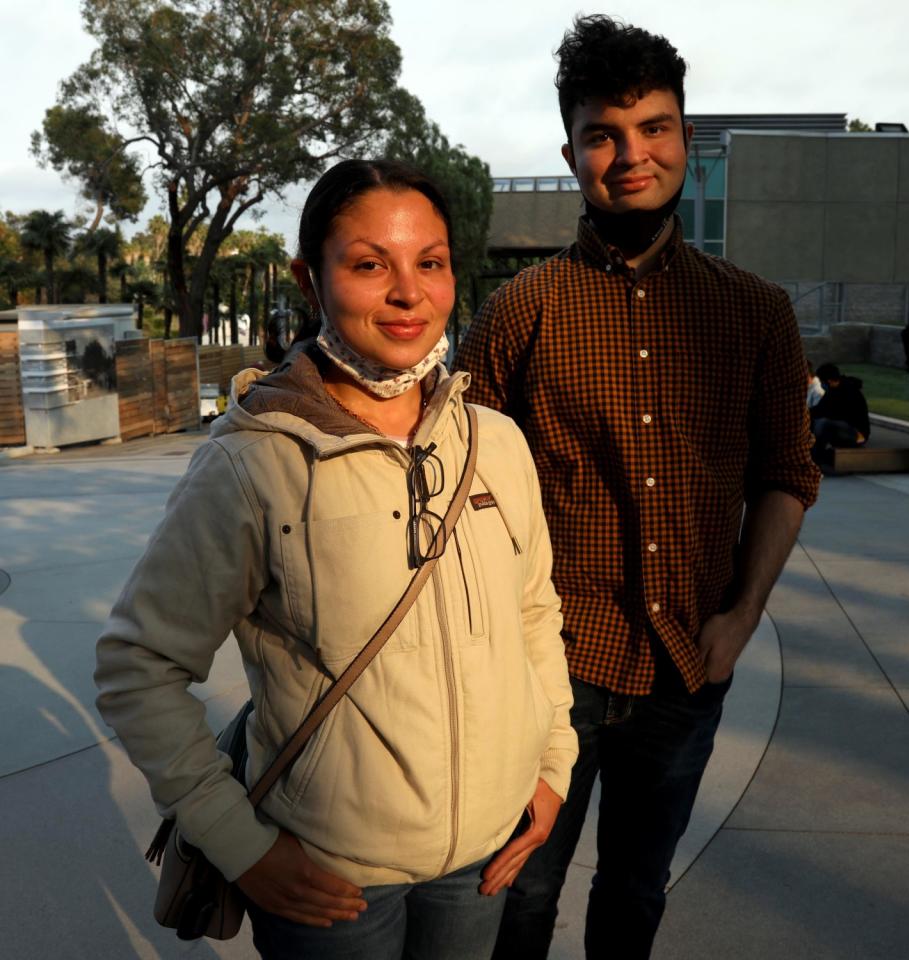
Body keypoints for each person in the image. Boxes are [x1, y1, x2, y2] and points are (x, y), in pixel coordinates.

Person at [94, 159, 578, 960]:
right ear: (309, 279)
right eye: (368, 265)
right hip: (330, 879)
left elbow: (534, 614)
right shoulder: (253, 463)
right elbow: (136, 664)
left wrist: (554, 761)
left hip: (485, 854)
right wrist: (238, 843)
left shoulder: (497, 443)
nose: (408, 293)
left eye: (430, 262)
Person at [453, 16, 821, 960]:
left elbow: (786, 474)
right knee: (519, 895)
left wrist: (740, 619)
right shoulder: (518, 313)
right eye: (603, 134)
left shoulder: (756, 312)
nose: (630, 155)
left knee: (634, 893)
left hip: (688, 665)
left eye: (654, 127)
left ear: (688, 142)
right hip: (548, 675)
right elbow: (460, 496)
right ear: (571, 149)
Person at [809, 362, 870, 464]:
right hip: (842, 429)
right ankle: (808, 454)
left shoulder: (850, 391)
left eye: (822, 382)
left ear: (828, 381)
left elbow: (837, 414)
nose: (821, 385)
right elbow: (819, 409)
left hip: (857, 434)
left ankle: (816, 458)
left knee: (824, 423)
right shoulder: (832, 391)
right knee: (813, 421)